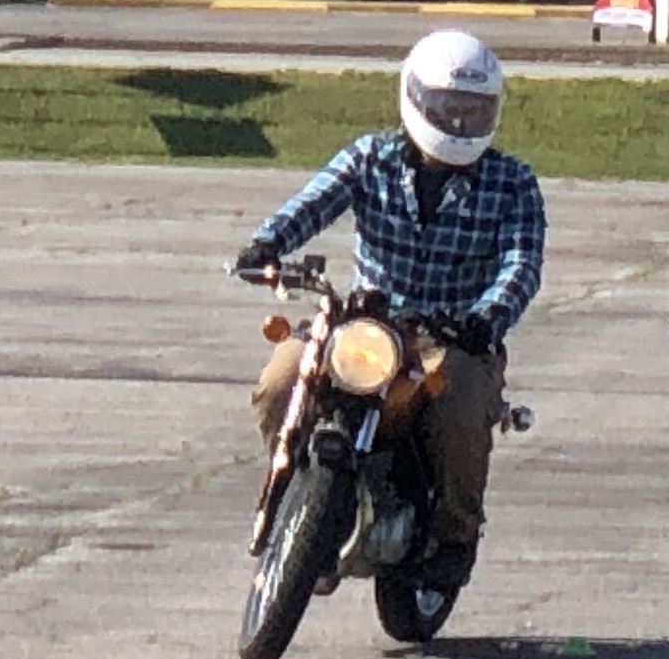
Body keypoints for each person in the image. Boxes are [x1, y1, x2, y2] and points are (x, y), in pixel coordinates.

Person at [233, 30, 545, 594]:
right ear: (415, 99)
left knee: (461, 411)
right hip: (364, 323)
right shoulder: (369, 157)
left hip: (449, 339)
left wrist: (485, 319)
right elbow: (314, 201)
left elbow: (521, 267)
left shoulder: (513, 183)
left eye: (472, 111)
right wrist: (266, 247)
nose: (457, 123)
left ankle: (454, 539)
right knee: (281, 379)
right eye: (447, 109)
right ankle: (299, 496)